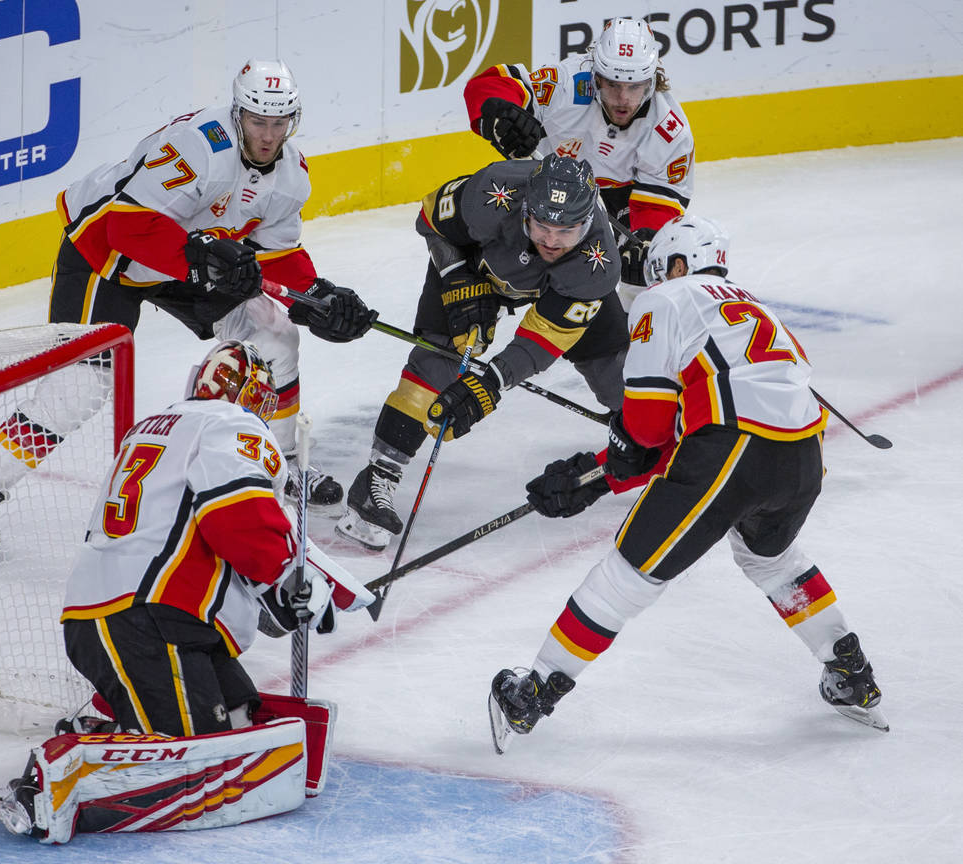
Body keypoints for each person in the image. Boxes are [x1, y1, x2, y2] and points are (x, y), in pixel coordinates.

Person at [0, 59, 374, 566]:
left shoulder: (291, 175)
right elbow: (125, 226)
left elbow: (276, 254)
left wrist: (318, 297)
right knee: (79, 390)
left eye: (278, 124)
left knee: (275, 335)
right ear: (237, 112)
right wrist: (201, 257)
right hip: (108, 257)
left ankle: (285, 464)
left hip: (190, 260)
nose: (268, 136)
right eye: (256, 122)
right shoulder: (198, 145)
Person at [488, 215, 887, 749]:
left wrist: (605, 466)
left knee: (627, 574)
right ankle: (851, 673)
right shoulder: (752, 309)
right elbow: (686, 445)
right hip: (804, 459)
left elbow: (653, 429)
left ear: (676, 265)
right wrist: (598, 475)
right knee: (769, 559)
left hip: (736, 445)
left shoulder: (668, 297)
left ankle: (533, 693)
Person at [0, 340, 374, 842]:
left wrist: (278, 592)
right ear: (255, 397)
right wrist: (283, 573)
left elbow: (195, 529)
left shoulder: (154, 426)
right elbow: (235, 517)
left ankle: (107, 723)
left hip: (131, 616)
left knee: (239, 719)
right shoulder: (231, 424)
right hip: (149, 619)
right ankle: (51, 780)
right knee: (207, 764)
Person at [335, 153, 631, 551]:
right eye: (541, 226)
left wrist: (491, 382)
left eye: (566, 232)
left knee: (618, 380)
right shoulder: (494, 191)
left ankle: (653, 438)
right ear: (525, 208)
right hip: (475, 267)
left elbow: (543, 338)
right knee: (436, 366)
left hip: (562, 287)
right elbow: (431, 219)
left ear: (587, 224)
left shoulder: (599, 264)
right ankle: (377, 478)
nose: (550, 241)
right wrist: (457, 279)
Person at [464, 17, 694, 307]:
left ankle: (634, 337)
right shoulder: (567, 83)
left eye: (634, 87)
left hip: (617, 197)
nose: (622, 99)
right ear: (595, 76)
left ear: (651, 81)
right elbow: (490, 84)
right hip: (547, 184)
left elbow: (658, 200)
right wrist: (501, 113)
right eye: (612, 84)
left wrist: (646, 234)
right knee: (507, 256)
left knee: (644, 264)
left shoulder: (669, 129)